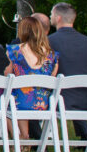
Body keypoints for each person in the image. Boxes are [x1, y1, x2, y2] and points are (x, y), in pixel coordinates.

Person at [48, 2, 87, 140]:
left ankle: (38, 139)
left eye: (51, 14)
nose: (50, 16)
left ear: (58, 18)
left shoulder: (49, 41)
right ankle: (86, 137)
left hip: (59, 100)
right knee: (76, 87)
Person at [5, 15, 59, 143]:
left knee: (2, 101)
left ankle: (20, 137)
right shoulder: (51, 56)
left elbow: (7, 76)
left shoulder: (14, 52)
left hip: (19, 103)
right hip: (42, 104)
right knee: (22, 96)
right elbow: (51, 78)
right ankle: (24, 136)